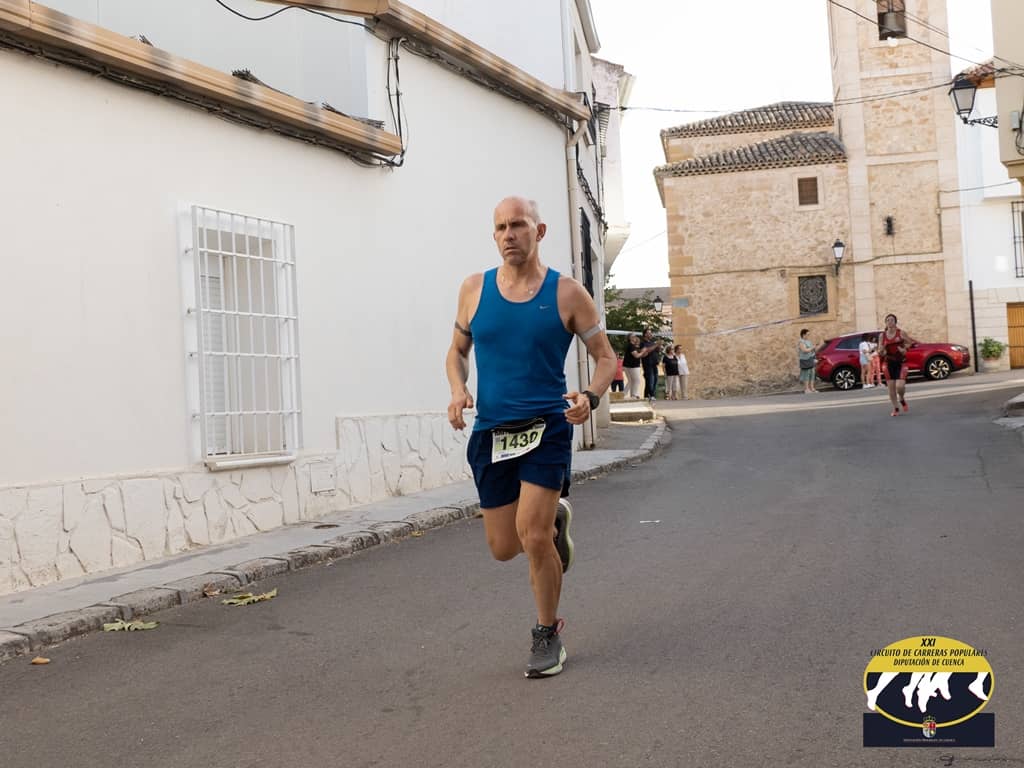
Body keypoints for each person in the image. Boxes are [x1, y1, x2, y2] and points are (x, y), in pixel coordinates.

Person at [445, 196, 616, 679]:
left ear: (539, 232)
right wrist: (458, 389)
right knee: (504, 547)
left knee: (533, 536)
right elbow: (456, 352)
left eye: (517, 225)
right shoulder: (474, 289)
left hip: (546, 428)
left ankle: (547, 633)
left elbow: (606, 357)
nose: (508, 235)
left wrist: (590, 396)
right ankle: (554, 524)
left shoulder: (568, 293)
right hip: (491, 432)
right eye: (500, 227)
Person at [878, 313, 918, 417]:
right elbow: (880, 350)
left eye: (892, 320)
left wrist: (904, 349)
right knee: (891, 388)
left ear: (895, 322)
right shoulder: (882, 336)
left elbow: (910, 343)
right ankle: (896, 408)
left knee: (900, 386)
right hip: (888, 363)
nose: (889, 322)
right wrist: (882, 351)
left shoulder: (901, 333)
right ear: (885, 323)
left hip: (901, 362)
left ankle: (901, 398)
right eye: (887, 320)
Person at [640, 328, 661, 401]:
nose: (651, 334)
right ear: (645, 334)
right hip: (648, 364)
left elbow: (657, 351)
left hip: (654, 363)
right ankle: (651, 395)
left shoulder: (652, 342)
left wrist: (659, 346)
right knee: (650, 380)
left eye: (651, 333)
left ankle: (646, 396)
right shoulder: (643, 343)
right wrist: (656, 345)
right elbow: (646, 350)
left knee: (655, 379)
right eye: (649, 333)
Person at [797, 329, 819, 393]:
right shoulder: (801, 341)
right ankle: (806, 389)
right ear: (803, 335)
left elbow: (812, 350)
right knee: (806, 374)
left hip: (810, 358)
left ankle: (812, 388)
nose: (808, 336)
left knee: (812, 373)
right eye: (807, 334)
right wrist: (813, 347)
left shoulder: (809, 341)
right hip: (805, 360)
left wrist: (814, 358)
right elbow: (804, 350)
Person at [623, 333, 644, 399]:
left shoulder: (633, 346)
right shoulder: (631, 346)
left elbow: (638, 354)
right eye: (634, 336)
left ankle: (627, 394)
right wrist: (643, 352)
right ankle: (633, 395)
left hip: (630, 366)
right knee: (636, 380)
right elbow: (636, 355)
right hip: (632, 366)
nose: (635, 337)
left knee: (632, 381)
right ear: (630, 338)